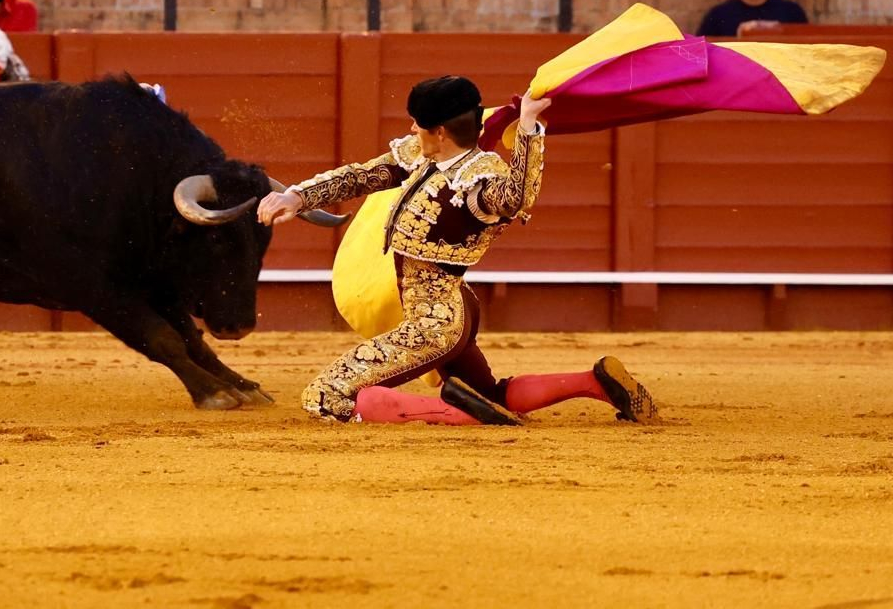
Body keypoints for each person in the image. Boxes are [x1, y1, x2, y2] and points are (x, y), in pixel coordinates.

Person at [260, 75, 659, 427]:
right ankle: (593, 383)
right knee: (490, 392)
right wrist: (298, 197)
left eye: (418, 123)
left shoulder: (478, 183)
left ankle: (466, 416)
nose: (412, 128)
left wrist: (529, 128)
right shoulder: (424, 159)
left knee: (326, 396)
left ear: (439, 131)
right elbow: (363, 175)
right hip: (455, 309)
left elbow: (515, 198)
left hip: (434, 328)